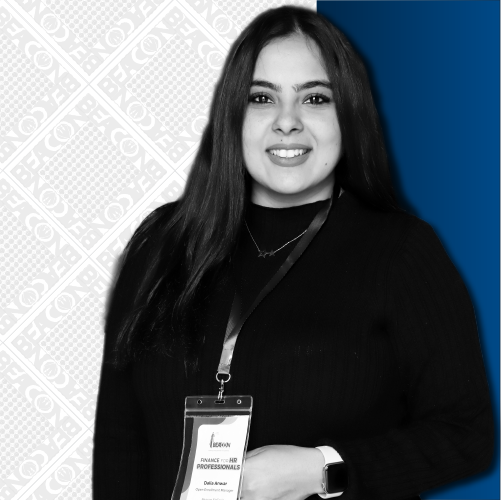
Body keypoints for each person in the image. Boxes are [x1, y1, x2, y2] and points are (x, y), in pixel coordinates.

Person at [91, 5, 494, 500]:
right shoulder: (162, 244)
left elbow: (466, 435)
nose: (287, 122)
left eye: (315, 99)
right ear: (233, 116)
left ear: (349, 115)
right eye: (262, 98)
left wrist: (322, 469)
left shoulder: (403, 252)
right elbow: (119, 441)